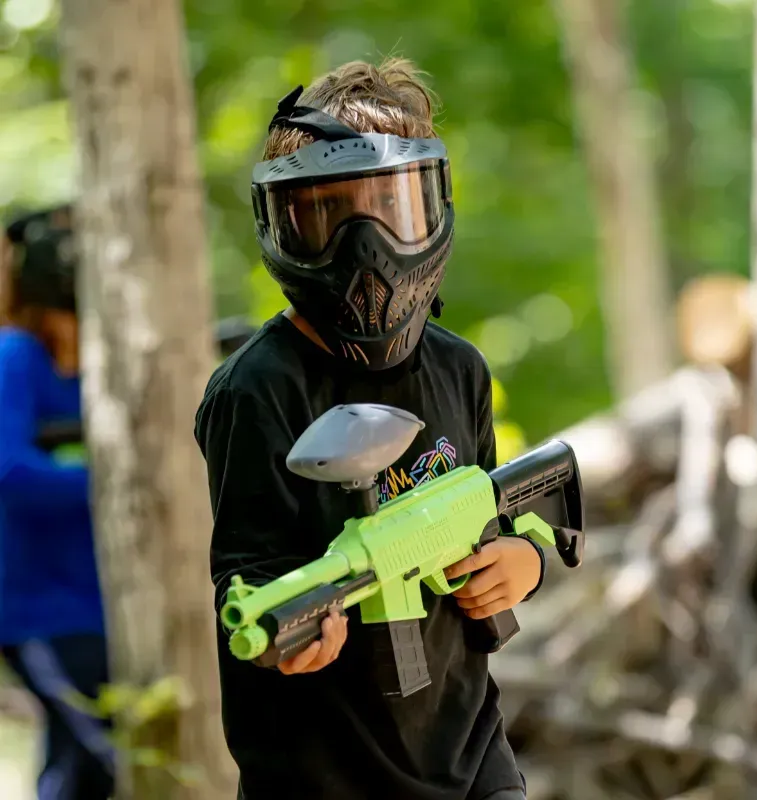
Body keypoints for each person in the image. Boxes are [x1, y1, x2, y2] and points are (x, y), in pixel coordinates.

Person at [195, 58, 546, 800]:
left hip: (472, 757)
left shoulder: (460, 370)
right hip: (321, 775)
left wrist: (524, 562)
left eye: (392, 210)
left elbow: (504, 513)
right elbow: (244, 571)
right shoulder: (255, 391)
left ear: (435, 204)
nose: (368, 249)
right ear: (280, 224)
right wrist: (284, 643)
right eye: (329, 217)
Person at [0, 207, 114, 799]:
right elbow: (7, 466)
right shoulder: (15, 355)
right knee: (105, 759)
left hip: (97, 605)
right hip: (40, 608)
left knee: (80, 766)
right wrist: (114, 487)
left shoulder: (102, 365)